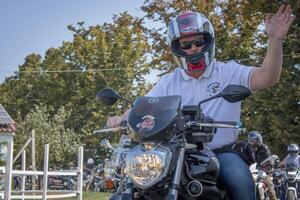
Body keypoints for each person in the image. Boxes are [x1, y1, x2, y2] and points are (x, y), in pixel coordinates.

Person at [106, 5, 295, 200]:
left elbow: (268, 77)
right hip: (174, 153)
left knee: (239, 179)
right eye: (186, 45)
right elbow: (145, 105)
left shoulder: (229, 72)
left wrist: (275, 39)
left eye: (198, 41)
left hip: (221, 153)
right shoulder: (169, 81)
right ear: (177, 48)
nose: (193, 48)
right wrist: (120, 118)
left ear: (208, 41)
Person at [248, 131, 277, 200]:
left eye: (254, 140)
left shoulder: (264, 148)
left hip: (264, 170)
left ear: (259, 140)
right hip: (253, 171)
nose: (253, 142)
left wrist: (267, 165)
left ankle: (273, 198)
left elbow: (269, 159)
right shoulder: (249, 149)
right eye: (251, 140)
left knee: (269, 184)